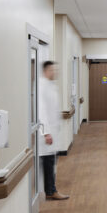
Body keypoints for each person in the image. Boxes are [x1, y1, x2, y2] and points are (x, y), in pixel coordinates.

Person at [38, 61, 69, 200]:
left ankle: (49, 189)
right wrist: (46, 132)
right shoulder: (41, 86)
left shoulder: (51, 85)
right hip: (46, 133)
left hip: (52, 132)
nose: (55, 72)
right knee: (48, 163)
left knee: (50, 162)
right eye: (52, 70)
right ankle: (51, 191)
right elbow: (41, 110)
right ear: (46, 70)